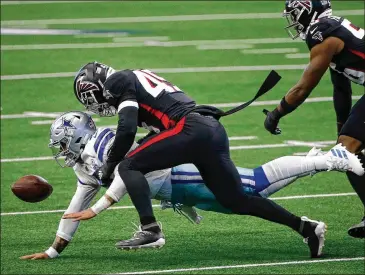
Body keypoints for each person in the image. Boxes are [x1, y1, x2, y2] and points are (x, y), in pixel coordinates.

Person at [21, 111, 361, 259]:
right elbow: (75, 206)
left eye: (63, 143)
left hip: (179, 176)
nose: (62, 151)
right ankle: (307, 228)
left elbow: (125, 175)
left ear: (77, 136)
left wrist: (100, 207)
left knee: (256, 185)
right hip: (176, 191)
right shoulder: (85, 163)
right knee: (244, 201)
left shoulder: (103, 144)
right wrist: (54, 249)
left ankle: (327, 158)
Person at [263, 0, 365, 238]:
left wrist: (276, 114)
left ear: (306, 11)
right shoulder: (332, 28)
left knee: (347, 154)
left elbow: (303, 88)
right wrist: (342, 129)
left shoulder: (322, 32)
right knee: (347, 149)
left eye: (295, 15)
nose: (294, 21)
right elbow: (341, 89)